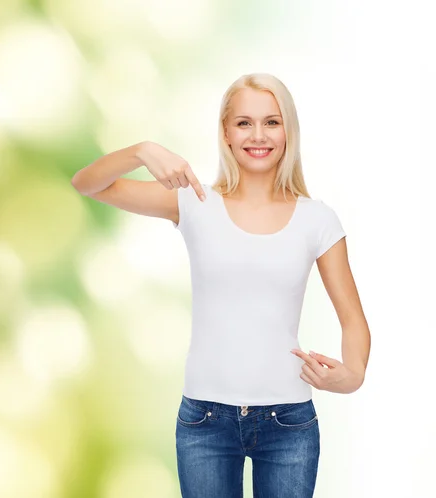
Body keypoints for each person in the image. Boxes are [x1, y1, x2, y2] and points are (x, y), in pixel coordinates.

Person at [71, 73, 371, 498]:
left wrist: (353, 374)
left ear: (289, 131)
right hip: (204, 422)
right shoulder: (193, 202)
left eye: (272, 121)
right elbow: (86, 184)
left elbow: (353, 320)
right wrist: (141, 151)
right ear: (226, 133)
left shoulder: (317, 219)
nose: (258, 135)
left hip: (288, 422)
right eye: (244, 122)